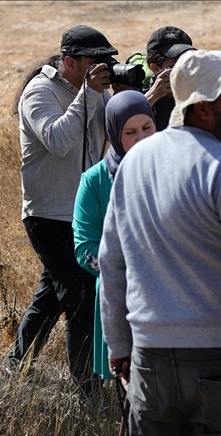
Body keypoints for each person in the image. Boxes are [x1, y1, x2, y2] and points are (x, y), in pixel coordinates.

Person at [99, 49, 221, 436]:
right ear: (202, 108)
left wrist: (119, 345)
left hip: (151, 356)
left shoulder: (135, 162)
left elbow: (111, 262)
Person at [8, 25, 117, 394]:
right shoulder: (39, 92)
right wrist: (89, 95)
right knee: (81, 298)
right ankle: (89, 391)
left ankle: (16, 363)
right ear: (70, 62)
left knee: (52, 297)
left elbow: (116, 133)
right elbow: (57, 140)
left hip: (81, 213)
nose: (101, 68)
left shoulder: (95, 91)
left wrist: (134, 95)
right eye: (94, 61)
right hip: (48, 214)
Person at [72, 90, 156, 382]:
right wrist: (126, 272)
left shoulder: (172, 168)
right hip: (121, 297)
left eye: (147, 128)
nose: (141, 138)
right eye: (130, 133)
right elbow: (85, 248)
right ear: (114, 135)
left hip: (170, 295)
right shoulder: (95, 180)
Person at [143, 26, 196, 130]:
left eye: (188, 62)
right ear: (155, 69)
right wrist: (152, 97)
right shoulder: (142, 99)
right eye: (177, 66)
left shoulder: (197, 94)